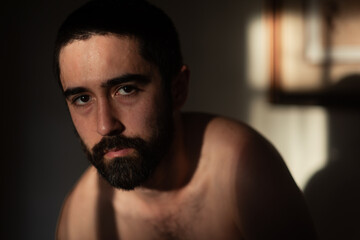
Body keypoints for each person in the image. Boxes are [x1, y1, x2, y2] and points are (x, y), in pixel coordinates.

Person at [54, 0, 317, 239]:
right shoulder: (83, 221)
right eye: (82, 99)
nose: (105, 125)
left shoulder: (243, 169)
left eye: (126, 90)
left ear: (177, 89)